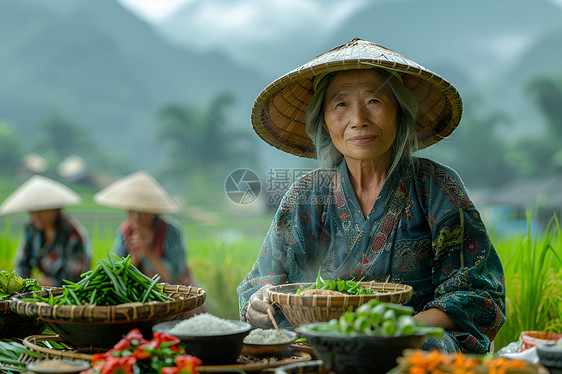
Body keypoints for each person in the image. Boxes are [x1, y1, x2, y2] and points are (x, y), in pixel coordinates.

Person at [237, 38, 506, 354]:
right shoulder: (306, 196)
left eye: (374, 101)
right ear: (323, 119)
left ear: (399, 112)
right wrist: (259, 300)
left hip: (418, 339)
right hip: (332, 342)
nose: (358, 119)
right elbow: (262, 282)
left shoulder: (435, 186)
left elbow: (478, 295)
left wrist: (398, 330)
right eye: (341, 104)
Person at [93, 170, 196, 286]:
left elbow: (172, 276)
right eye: (132, 211)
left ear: (152, 212)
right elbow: (116, 275)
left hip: (174, 293)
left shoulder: (170, 231)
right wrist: (134, 258)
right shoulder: (125, 232)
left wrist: (147, 251)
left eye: (142, 212)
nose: (136, 218)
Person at [0, 175, 91, 286]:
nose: (37, 216)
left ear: (55, 209)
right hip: (44, 290)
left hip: (70, 292)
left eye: (43, 211)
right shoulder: (32, 231)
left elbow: (75, 276)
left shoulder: (72, 234)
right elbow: (22, 264)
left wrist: (46, 283)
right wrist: (22, 284)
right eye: (33, 211)